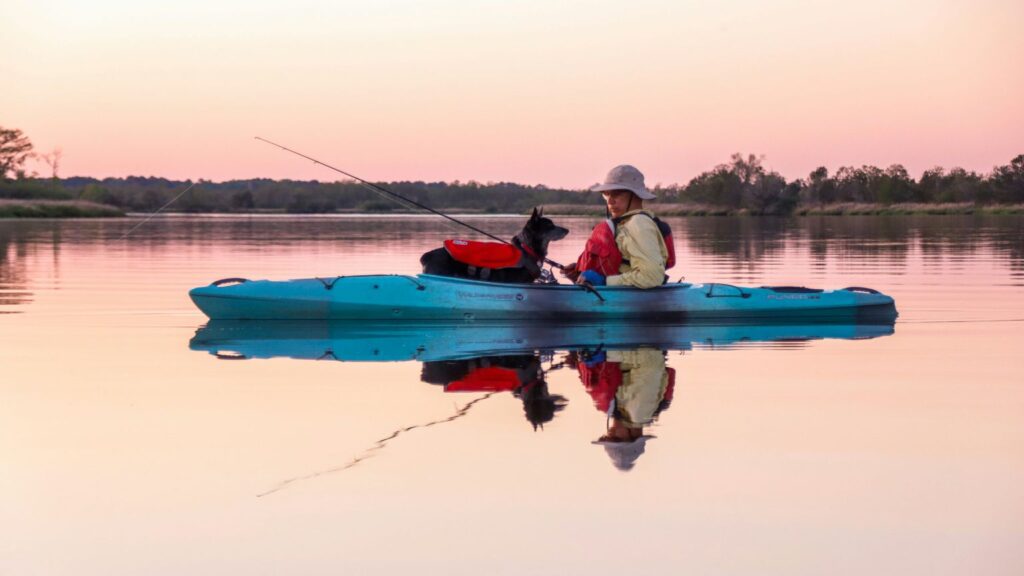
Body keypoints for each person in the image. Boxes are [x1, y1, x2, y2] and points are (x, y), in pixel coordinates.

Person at [562, 165, 669, 289]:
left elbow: (651, 277)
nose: (610, 201)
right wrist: (581, 272)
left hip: (634, 302)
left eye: (616, 194)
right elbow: (623, 265)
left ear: (635, 195)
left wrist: (604, 281)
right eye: (606, 194)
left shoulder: (639, 223)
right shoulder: (625, 223)